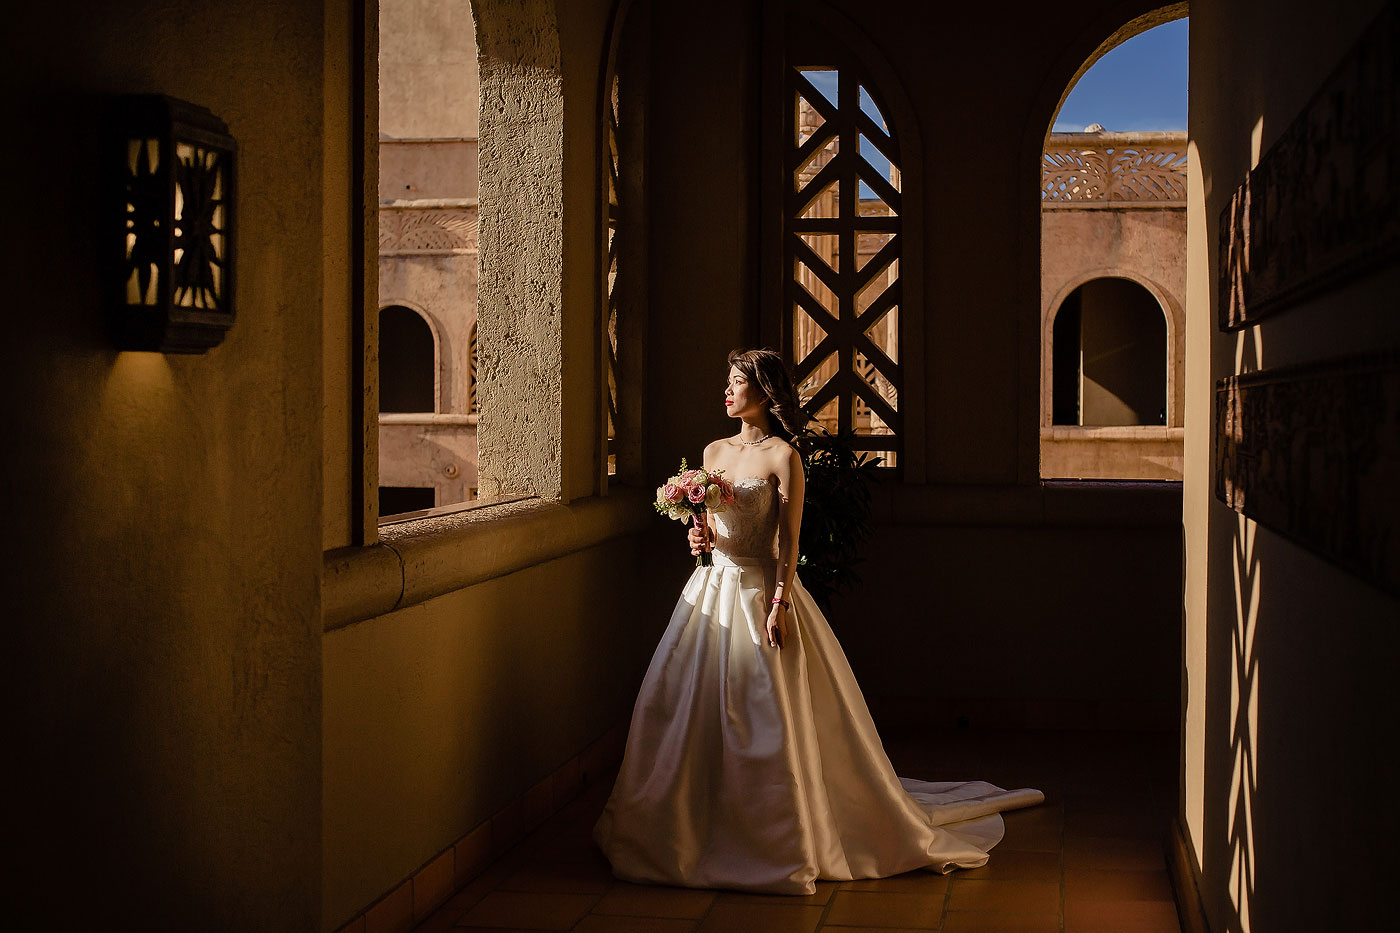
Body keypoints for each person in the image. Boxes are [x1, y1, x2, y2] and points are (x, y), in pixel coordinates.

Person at [593, 348, 1043, 894]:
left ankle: (774, 836)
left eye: (738, 383)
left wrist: (779, 604)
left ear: (764, 392)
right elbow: (710, 530)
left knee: (766, 714)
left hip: (763, 593)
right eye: (727, 382)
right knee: (683, 704)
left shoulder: (784, 457)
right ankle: (689, 827)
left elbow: (789, 542)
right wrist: (699, 539)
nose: (727, 391)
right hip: (713, 588)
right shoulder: (713, 451)